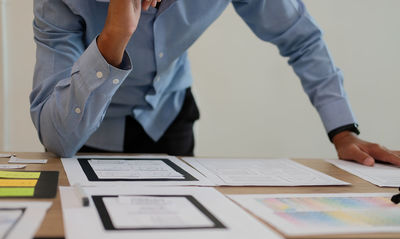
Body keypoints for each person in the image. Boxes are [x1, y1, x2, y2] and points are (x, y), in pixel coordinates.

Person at [30, 0, 400, 166]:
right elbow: (58, 137)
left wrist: (343, 132)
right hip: (88, 133)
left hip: (171, 118)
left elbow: (300, 38)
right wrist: (113, 38)